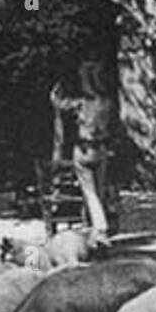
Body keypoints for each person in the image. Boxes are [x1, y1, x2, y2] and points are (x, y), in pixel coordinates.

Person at [50, 53, 121, 244]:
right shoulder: (107, 101)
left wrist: (55, 96)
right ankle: (95, 229)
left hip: (84, 148)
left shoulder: (82, 102)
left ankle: (100, 228)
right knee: (98, 190)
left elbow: (60, 105)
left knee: (90, 192)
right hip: (101, 148)